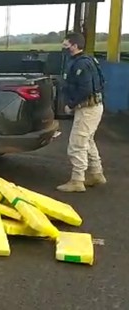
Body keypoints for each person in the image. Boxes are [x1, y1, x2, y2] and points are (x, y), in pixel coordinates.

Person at [57, 32, 107, 193]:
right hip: (92, 107)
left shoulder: (81, 64)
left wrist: (70, 105)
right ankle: (96, 174)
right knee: (88, 141)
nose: (64, 48)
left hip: (87, 109)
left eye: (66, 45)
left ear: (75, 46)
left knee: (77, 144)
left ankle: (77, 180)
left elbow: (84, 90)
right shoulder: (88, 60)